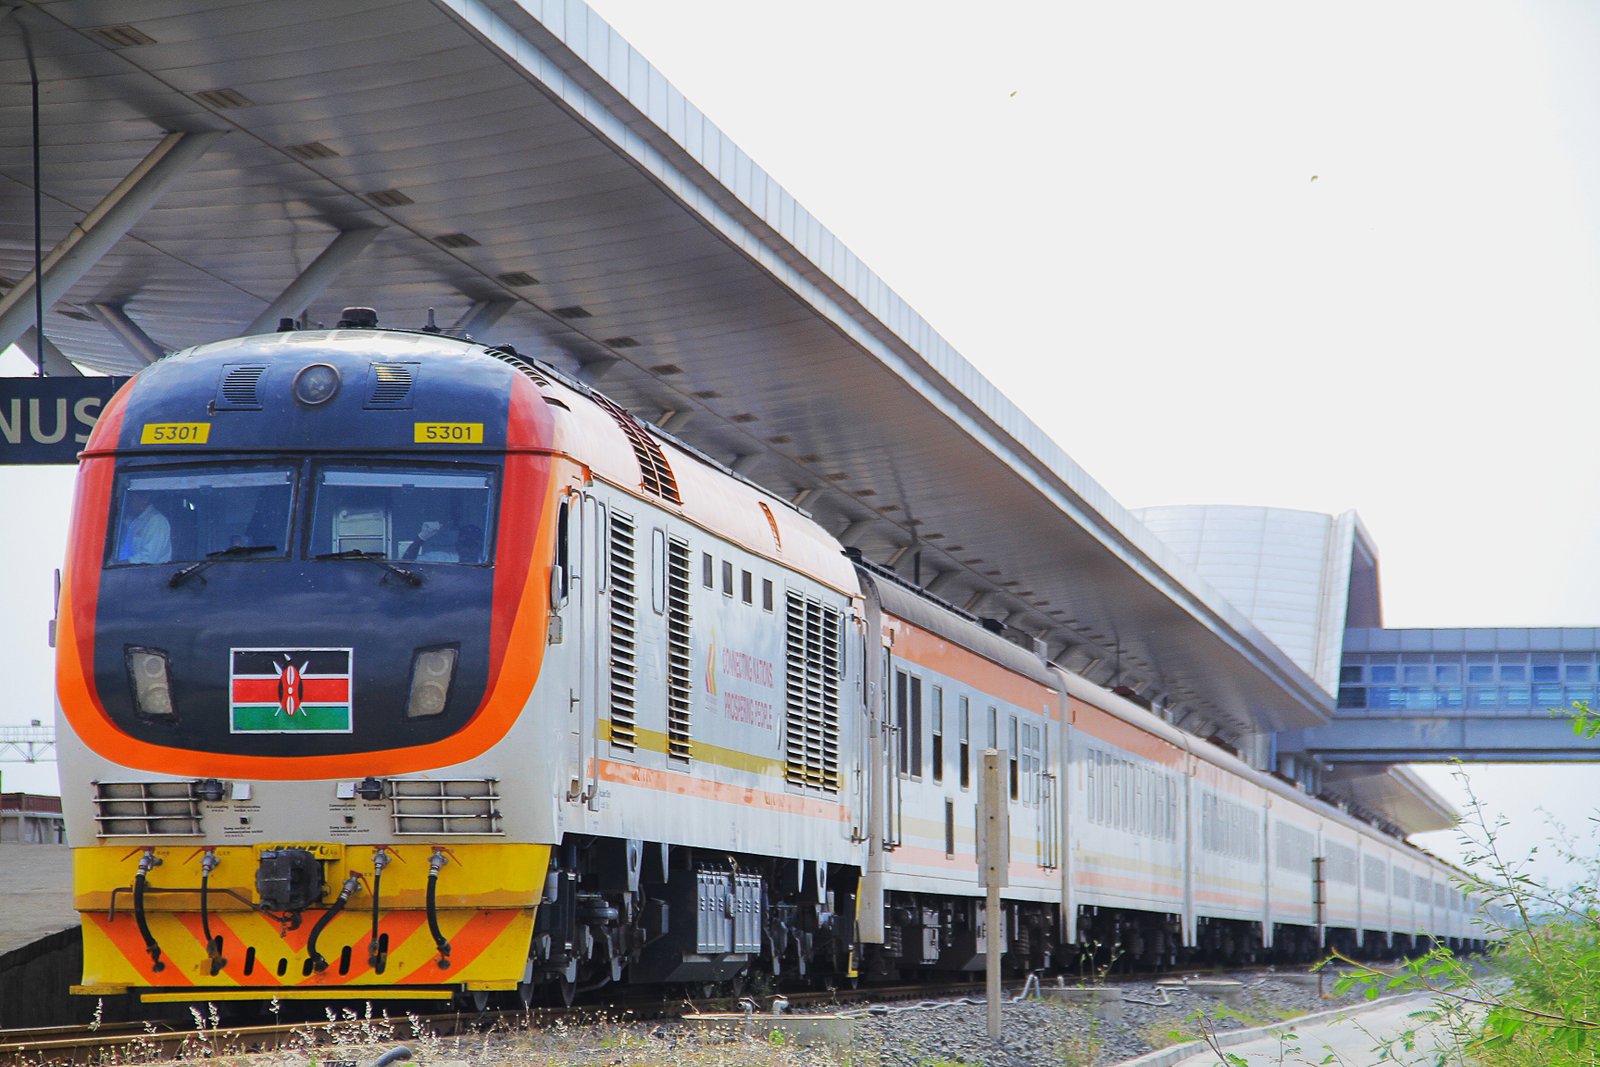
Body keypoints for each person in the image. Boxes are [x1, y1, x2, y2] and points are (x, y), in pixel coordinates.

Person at [122, 499, 172, 564]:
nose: (127, 503)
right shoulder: (134, 520)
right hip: (132, 571)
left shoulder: (157, 520)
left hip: (154, 572)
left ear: (144, 499)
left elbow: (149, 558)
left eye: (131, 499)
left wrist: (118, 564)